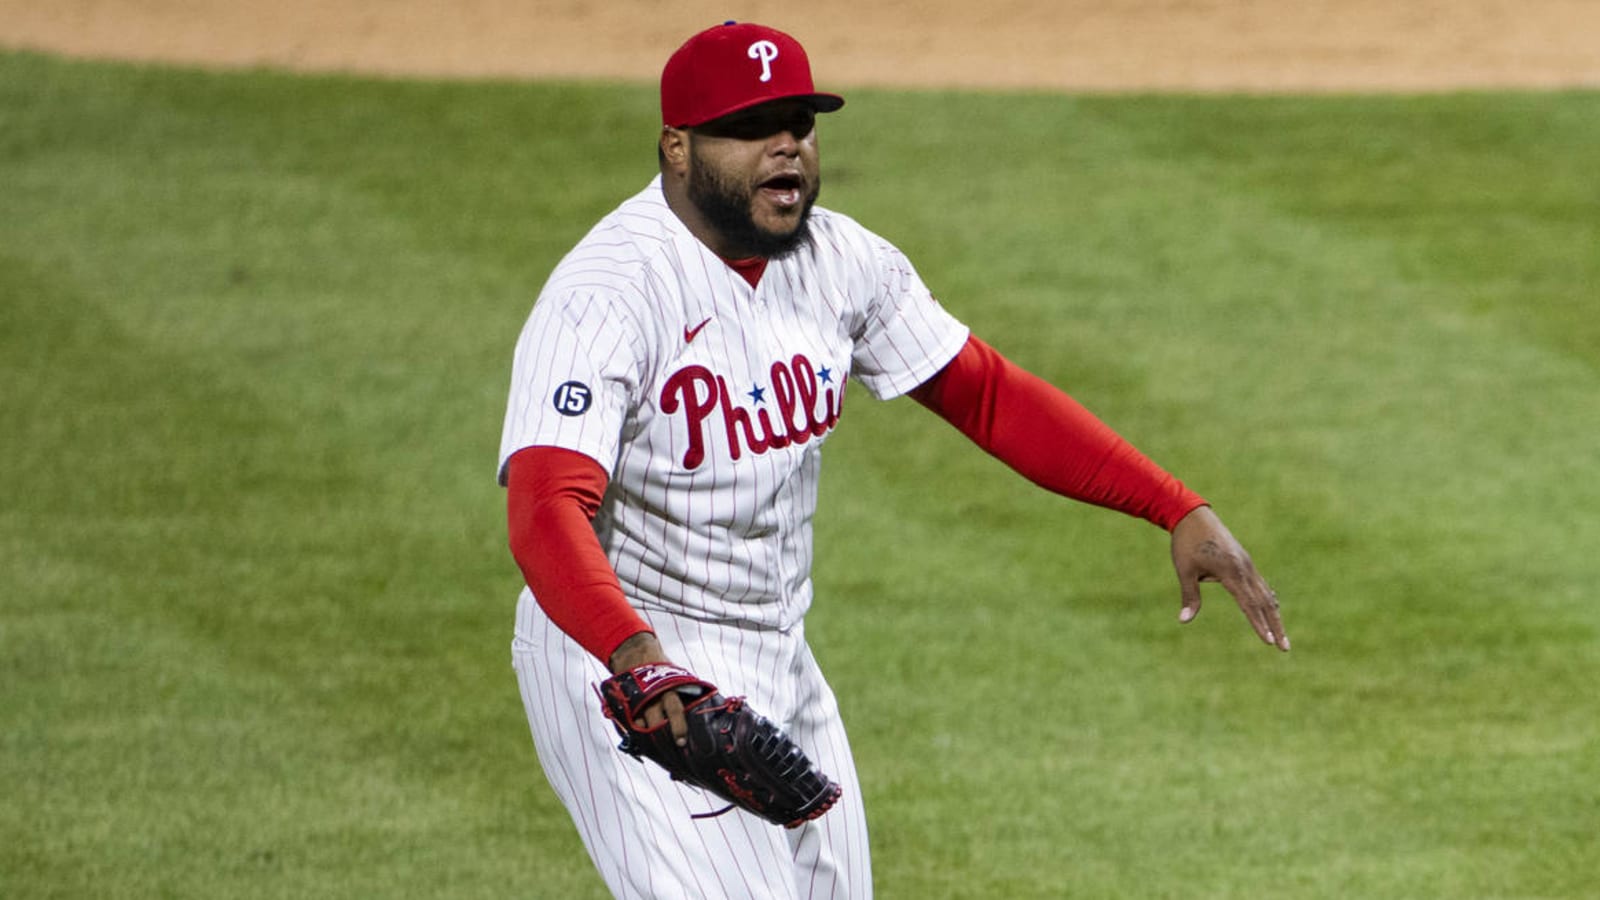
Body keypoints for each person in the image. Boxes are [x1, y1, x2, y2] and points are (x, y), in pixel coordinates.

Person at [497, 20, 1288, 899]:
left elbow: (984, 395)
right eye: (752, 128)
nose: (784, 148)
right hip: (631, 668)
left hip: (775, 655)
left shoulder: (841, 261)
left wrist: (1174, 505)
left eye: (797, 123)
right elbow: (543, 505)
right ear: (677, 148)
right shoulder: (608, 295)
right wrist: (637, 656)